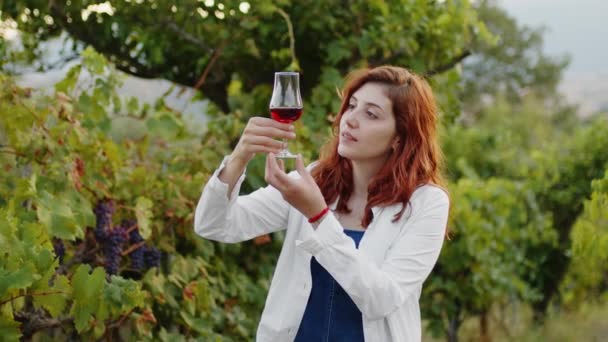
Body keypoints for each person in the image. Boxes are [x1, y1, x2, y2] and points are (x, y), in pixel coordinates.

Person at [194, 65, 450, 342]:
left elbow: (381, 300)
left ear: (400, 137)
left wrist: (317, 215)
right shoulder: (315, 180)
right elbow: (214, 225)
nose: (350, 119)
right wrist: (239, 157)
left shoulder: (426, 203)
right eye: (351, 106)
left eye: (371, 114)